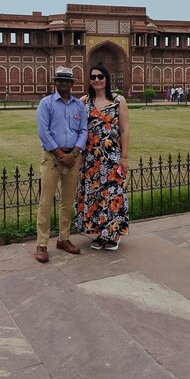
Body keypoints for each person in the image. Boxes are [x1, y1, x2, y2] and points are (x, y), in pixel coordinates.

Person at [35, 66, 88, 263]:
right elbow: (43, 132)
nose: (63, 84)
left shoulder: (78, 106)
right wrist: (59, 153)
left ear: (72, 83)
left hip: (73, 157)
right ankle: (41, 244)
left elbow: (84, 130)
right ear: (55, 83)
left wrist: (73, 153)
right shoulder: (46, 103)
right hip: (52, 158)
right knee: (46, 202)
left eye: (67, 81)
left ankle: (63, 239)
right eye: (60, 80)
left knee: (67, 201)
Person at [75, 63, 130, 251]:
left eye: (100, 76)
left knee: (112, 194)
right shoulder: (84, 101)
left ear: (107, 78)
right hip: (90, 158)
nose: (97, 80)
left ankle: (113, 234)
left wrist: (125, 157)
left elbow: (124, 129)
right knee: (95, 196)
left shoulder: (118, 100)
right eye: (93, 77)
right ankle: (100, 233)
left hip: (112, 156)